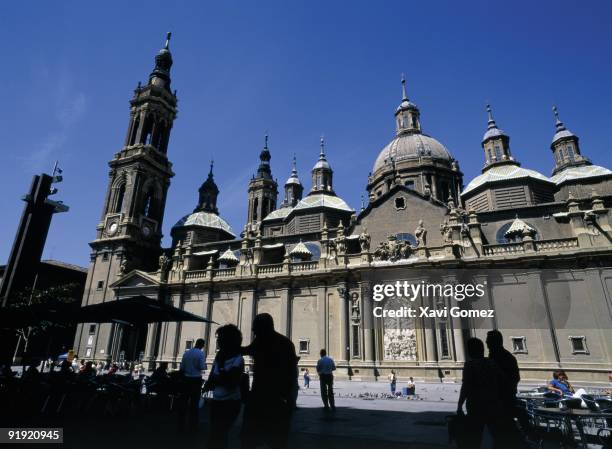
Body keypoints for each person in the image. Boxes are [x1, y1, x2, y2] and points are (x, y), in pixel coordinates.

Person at [240, 313, 298, 449]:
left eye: (255, 328)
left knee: (249, 439)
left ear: (263, 327)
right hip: (279, 400)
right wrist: (291, 400)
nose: (253, 331)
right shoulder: (286, 343)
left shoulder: (261, 341)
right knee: (277, 441)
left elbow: (245, 350)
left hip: (260, 398)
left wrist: (229, 344)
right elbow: (292, 375)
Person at [457, 337, 503, 449]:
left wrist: (459, 405)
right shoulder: (492, 363)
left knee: (475, 436)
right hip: (493, 403)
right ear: (482, 349)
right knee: (496, 434)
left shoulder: (470, 365)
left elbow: (466, 386)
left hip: (475, 405)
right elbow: (502, 380)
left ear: (470, 351)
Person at [204, 324, 244, 449]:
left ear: (229, 340)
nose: (218, 341)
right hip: (216, 402)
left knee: (218, 434)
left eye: (220, 338)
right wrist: (210, 383)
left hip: (230, 404)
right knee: (216, 434)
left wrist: (220, 370)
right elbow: (212, 377)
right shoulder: (219, 355)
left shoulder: (238, 359)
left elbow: (230, 383)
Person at [486, 330, 523, 448]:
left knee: (503, 435)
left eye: (489, 340)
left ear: (495, 342)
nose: (486, 342)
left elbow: (513, 379)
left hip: (502, 403)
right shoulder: (496, 357)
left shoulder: (501, 358)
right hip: (501, 403)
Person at [178, 338, 207, 431]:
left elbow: (182, 367)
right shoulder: (201, 353)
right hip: (195, 380)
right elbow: (202, 367)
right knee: (194, 403)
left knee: (184, 401)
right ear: (202, 345)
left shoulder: (187, 353)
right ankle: (193, 425)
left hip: (186, 380)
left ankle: (181, 423)